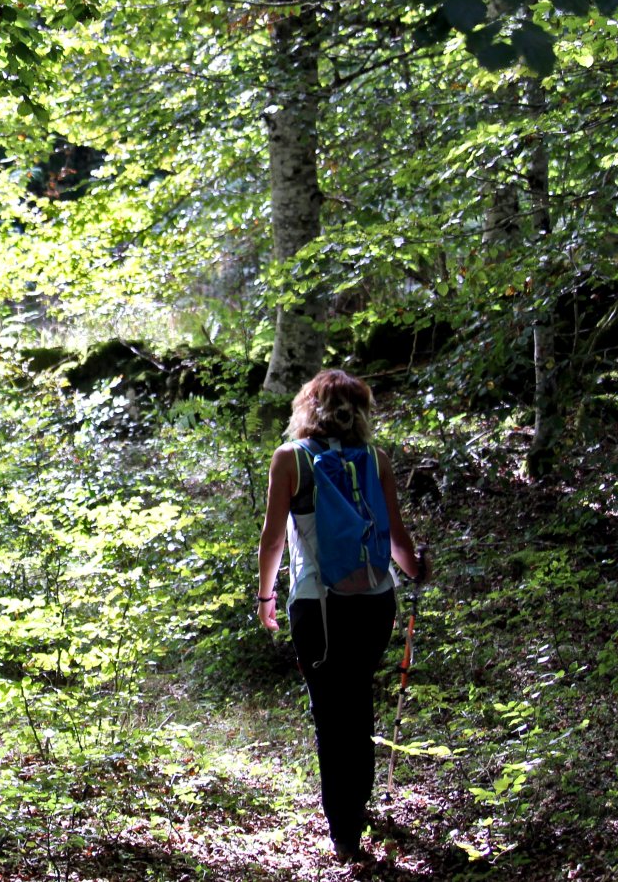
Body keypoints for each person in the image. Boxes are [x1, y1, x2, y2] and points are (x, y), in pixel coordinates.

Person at [256, 369, 428, 864]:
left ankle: (345, 831)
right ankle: (359, 802)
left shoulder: (290, 459)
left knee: (331, 711)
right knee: (357, 697)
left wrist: (266, 596)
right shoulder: (376, 459)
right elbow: (397, 540)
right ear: (360, 411)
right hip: (376, 600)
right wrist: (416, 569)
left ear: (307, 408)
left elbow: (272, 539)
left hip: (319, 605)